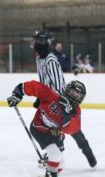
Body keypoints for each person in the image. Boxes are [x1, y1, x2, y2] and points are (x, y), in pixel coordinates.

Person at [7, 80, 87, 177]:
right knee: (55, 154)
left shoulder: (75, 111)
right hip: (39, 128)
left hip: (54, 134)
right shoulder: (51, 95)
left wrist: (66, 117)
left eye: (78, 95)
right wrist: (17, 94)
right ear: (66, 90)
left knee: (61, 163)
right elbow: (32, 86)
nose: (75, 97)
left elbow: (74, 129)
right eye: (73, 93)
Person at [31, 30, 97, 168]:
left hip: (60, 100)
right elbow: (43, 81)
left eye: (37, 41)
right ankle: (55, 154)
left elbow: (58, 84)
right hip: (48, 100)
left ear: (43, 42)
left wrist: (61, 103)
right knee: (50, 127)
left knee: (73, 130)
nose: (35, 43)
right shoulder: (39, 59)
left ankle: (88, 153)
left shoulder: (51, 60)